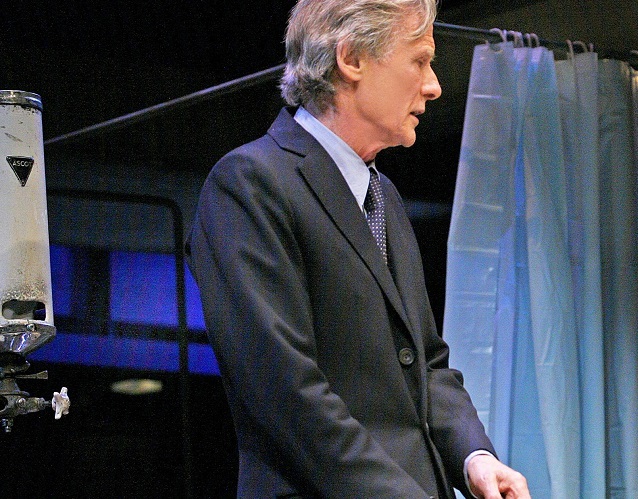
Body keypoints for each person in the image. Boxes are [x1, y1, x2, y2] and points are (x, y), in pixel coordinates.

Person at [187, 1, 529, 497]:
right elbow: (286, 393)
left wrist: (474, 456)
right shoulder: (250, 184)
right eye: (420, 61)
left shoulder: (382, 194)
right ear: (351, 59)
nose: (433, 85)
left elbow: (425, 361)